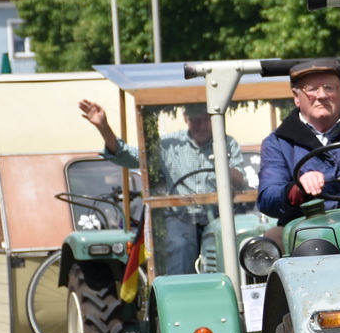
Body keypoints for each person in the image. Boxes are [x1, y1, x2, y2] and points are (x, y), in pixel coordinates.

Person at [79, 97, 248, 276]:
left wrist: (223, 164)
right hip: (179, 218)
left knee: (232, 245)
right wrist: (103, 127)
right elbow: (131, 157)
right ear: (185, 118)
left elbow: (240, 181)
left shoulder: (227, 143)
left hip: (219, 217)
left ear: (215, 119)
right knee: (180, 246)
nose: (202, 125)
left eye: (206, 119)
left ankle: (233, 290)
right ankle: (180, 296)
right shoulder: (169, 144)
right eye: (195, 120)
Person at [258, 58, 340, 222]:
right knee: (267, 243)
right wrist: (297, 190)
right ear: (296, 96)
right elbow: (268, 197)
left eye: (329, 88)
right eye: (311, 89)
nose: (321, 95)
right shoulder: (278, 142)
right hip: (309, 229)